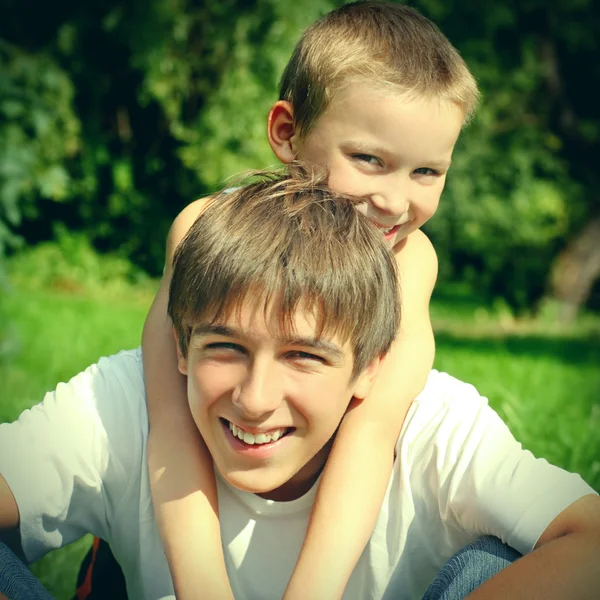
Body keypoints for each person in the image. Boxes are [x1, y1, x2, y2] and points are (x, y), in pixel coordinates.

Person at [0, 169, 598, 600]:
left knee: (501, 560)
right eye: (226, 347)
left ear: (371, 368)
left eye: (304, 357)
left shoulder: (431, 426)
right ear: (180, 347)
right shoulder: (125, 400)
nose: (255, 399)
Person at [142, 3, 480, 598]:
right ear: (287, 132)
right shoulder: (205, 230)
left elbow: (370, 433)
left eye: (427, 171)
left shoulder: (410, 262)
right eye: (369, 159)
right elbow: (170, 419)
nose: (396, 201)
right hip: (173, 517)